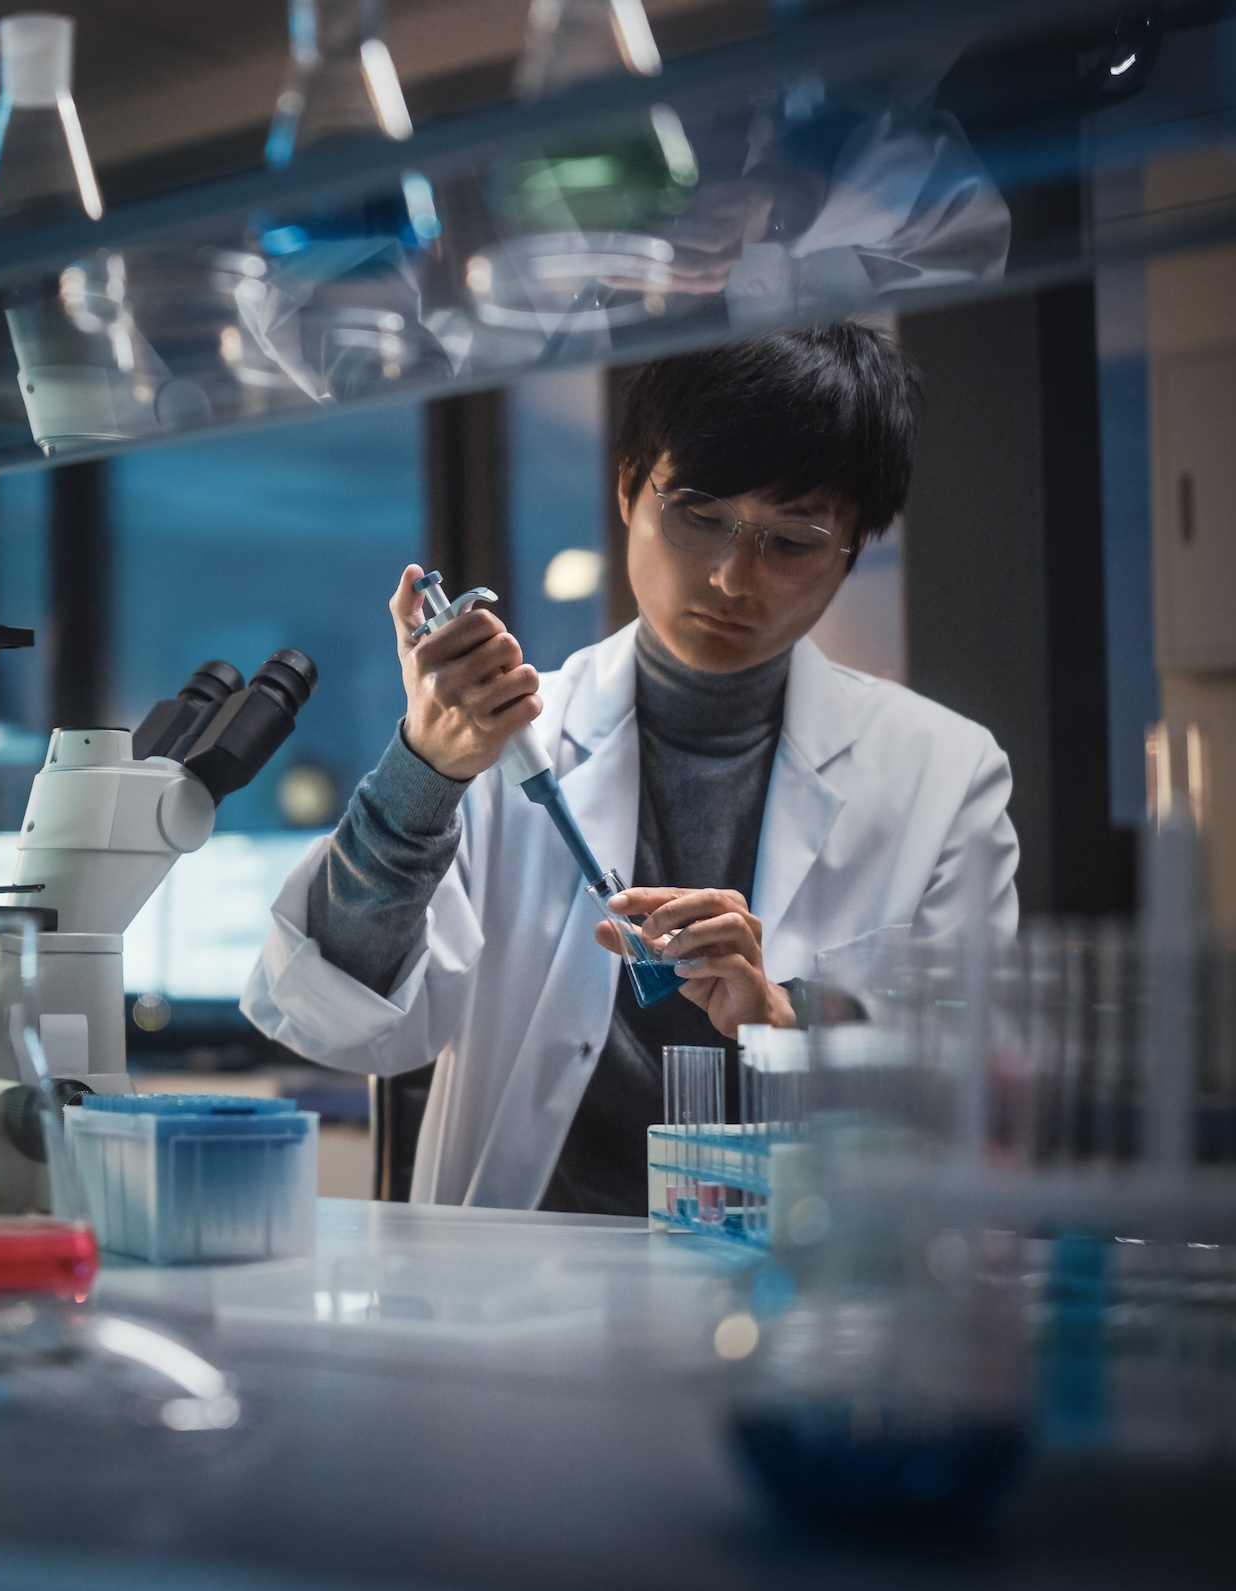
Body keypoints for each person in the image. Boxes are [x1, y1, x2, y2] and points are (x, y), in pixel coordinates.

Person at [241, 323, 1018, 1212]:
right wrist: (423, 773)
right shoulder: (504, 742)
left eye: (791, 542)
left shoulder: (944, 773)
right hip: (526, 1305)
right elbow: (329, 1018)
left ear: (855, 546)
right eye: (698, 514)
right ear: (628, 489)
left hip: (806, 1288)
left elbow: (973, 1081)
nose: (732, 577)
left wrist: (789, 1016)